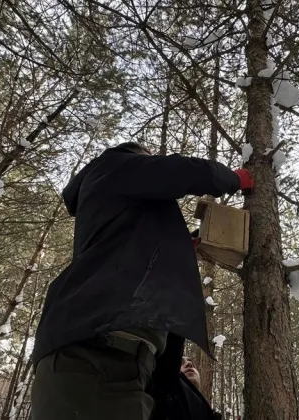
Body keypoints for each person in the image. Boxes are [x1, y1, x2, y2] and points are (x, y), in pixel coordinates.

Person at [30, 142, 253, 420]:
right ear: (137, 156)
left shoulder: (106, 199)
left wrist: (180, 246)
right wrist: (233, 179)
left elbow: (129, 247)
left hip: (105, 360)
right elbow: (177, 171)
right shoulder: (114, 165)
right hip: (97, 358)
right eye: (147, 159)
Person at [149, 355, 222, 420]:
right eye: (181, 363)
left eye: (193, 365)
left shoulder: (208, 414)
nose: (189, 364)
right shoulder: (160, 402)